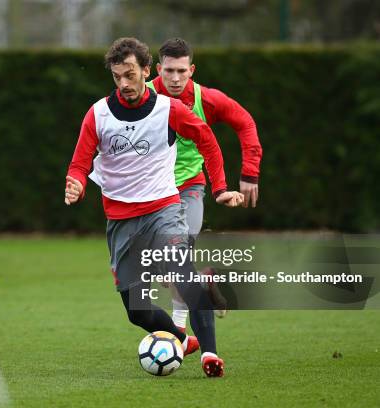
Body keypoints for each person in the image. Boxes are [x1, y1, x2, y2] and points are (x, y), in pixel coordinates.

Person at [65, 37, 244, 377]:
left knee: (184, 276)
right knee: (138, 312)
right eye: (117, 77)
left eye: (130, 75)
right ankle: (180, 339)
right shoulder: (98, 114)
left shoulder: (169, 109)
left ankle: (210, 354)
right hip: (120, 221)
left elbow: (207, 140)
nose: (124, 83)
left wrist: (220, 187)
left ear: (147, 72)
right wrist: (74, 182)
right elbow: (79, 163)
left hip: (163, 210)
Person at [147, 38, 263, 330]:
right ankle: (205, 281)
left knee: (175, 258)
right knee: (161, 268)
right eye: (169, 71)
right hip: (148, 194)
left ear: (192, 70)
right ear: (157, 69)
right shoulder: (141, 96)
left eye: (181, 71)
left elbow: (245, 122)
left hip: (189, 189)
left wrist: (249, 172)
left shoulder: (206, 99)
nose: (175, 78)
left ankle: (178, 334)